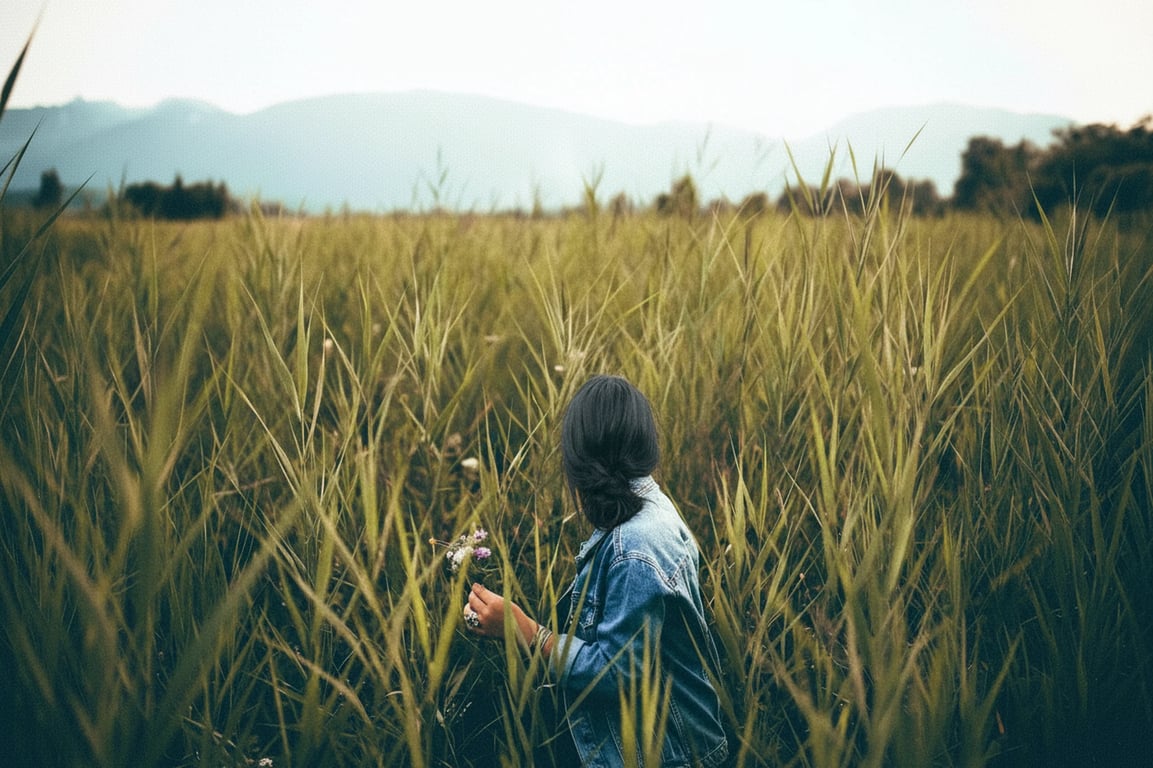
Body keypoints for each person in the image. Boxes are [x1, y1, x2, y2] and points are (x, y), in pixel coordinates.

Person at [463, 374, 730, 767]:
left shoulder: (634, 547)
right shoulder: (653, 509)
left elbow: (617, 674)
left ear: (577, 462)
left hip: (671, 756)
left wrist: (524, 630)